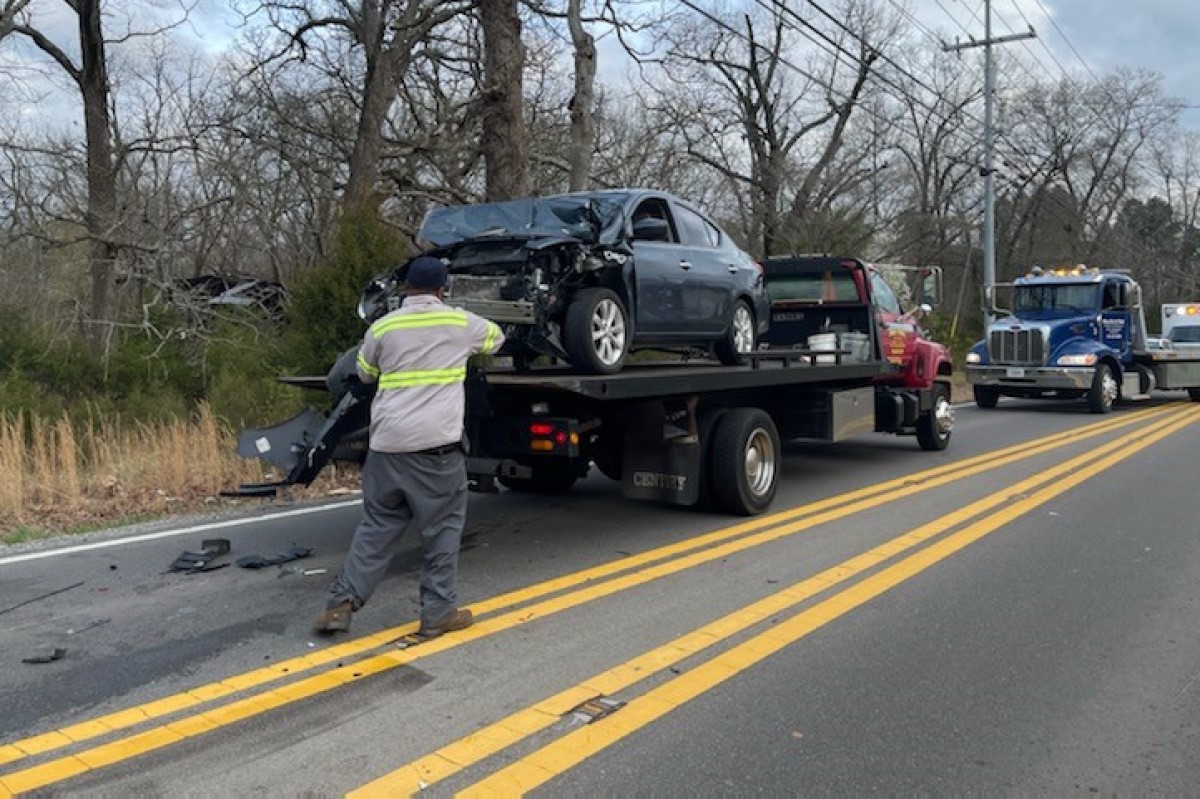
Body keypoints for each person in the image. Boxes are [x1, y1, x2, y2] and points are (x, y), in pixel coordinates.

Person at [314, 255, 505, 637]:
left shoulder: (383, 327)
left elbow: (365, 374)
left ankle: (340, 604)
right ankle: (438, 615)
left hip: (386, 449)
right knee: (442, 532)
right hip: (436, 453)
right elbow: (496, 339)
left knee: (377, 526)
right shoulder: (459, 322)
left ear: (406, 290)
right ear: (441, 289)